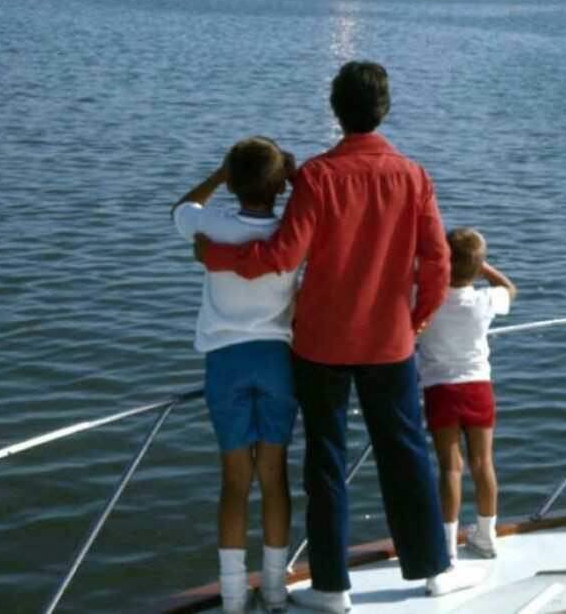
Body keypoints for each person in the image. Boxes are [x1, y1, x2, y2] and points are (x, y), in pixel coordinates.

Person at [195, 62, 484, 612]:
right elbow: (438, 263)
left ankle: (331, 586)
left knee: (325, 462)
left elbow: (282, 256)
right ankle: (432, 571)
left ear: (337, 109)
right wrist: (417, 319)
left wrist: (216, 254)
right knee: (406, 457)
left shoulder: (317, 178)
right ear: (384, 109)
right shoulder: (414, 176)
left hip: (320, 345)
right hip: (389, 344)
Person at [172, 137, 299, 614]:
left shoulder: (211, 223)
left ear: (233, 180)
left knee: (234, 482)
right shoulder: (292, 230)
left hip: (225, 362)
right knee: (274, 477)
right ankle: (273, 589)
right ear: (278, 186)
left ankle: (230, 597)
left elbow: (181, 208)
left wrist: (217, 176)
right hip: (277, 362)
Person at [417, 228, 517, 563]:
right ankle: (486, 536)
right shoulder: (484, 300)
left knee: (450, 467)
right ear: (476, 267)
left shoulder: (426, 297)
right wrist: (482, 268)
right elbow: (509, 290)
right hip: (478, 387)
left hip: (440, 388)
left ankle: (446, 545)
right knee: (482, 463)